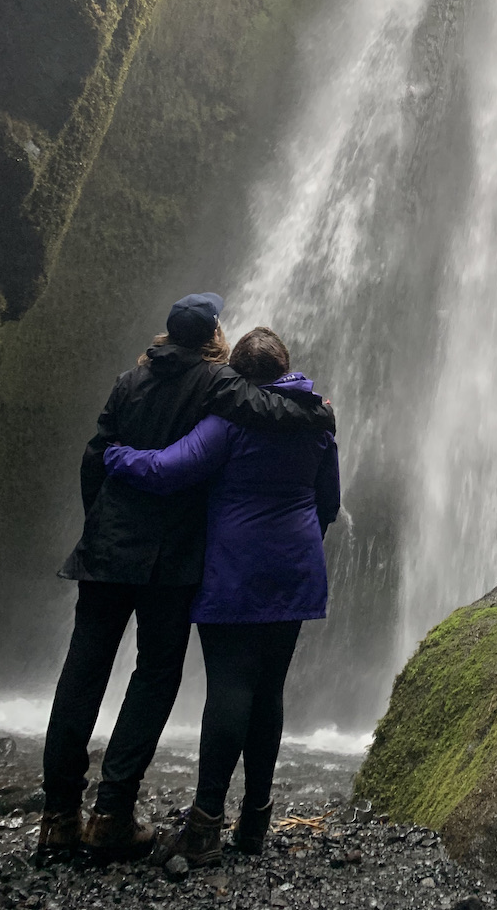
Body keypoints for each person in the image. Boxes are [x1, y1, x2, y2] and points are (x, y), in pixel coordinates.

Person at [39, 294, 335, 865]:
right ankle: (113, 814)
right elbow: (273, 415)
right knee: (155, 677)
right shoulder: (217, 386)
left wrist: (99, 518)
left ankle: (57, 816)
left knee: (82, 672)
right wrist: (317, 413)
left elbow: (95, 456)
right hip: (172, 563)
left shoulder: (130, 381)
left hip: (110, 552)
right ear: (211, 337)